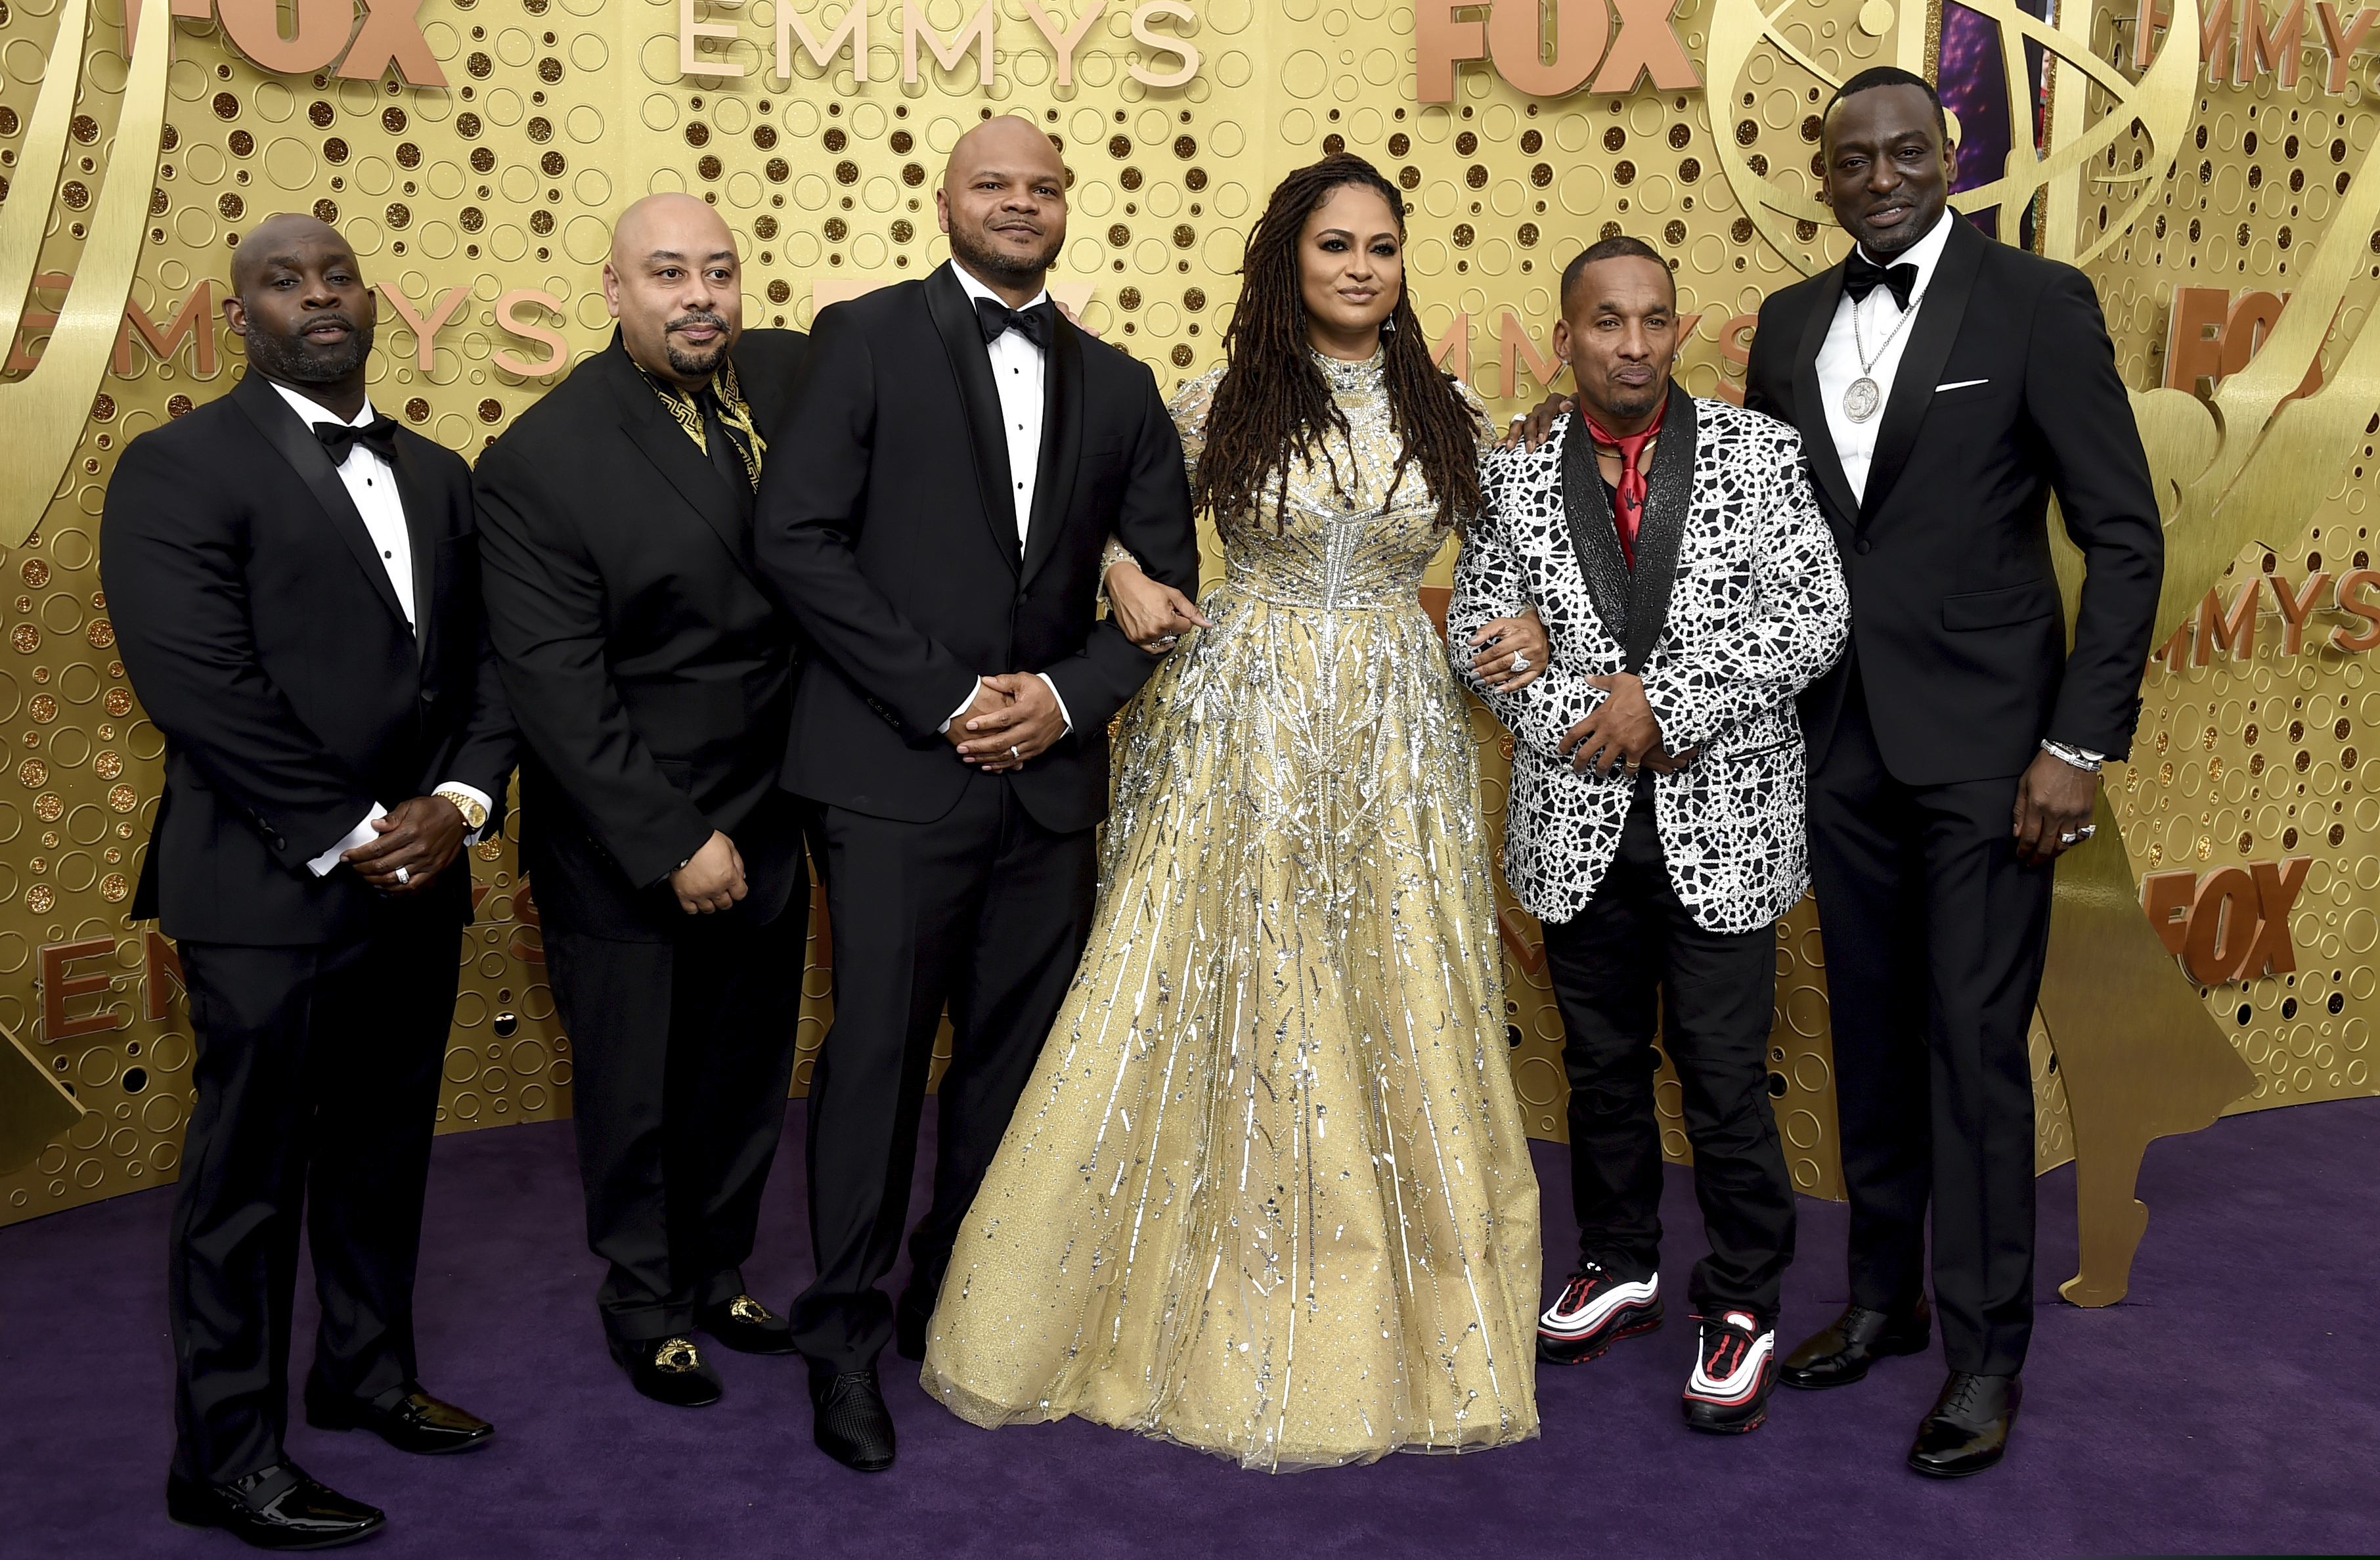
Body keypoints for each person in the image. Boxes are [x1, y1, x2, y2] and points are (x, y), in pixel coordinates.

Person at [919, 153, 1549, 1471]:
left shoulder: (1451, 411)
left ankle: (1397, 1303)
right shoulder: (1215, 402)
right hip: (1236, 720)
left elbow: (1496, 572)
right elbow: (1081, 519)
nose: (1361, 267)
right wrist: (1120, 570)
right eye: (1335, 245)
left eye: (1382, 245)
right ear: (1288, 260)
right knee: (1231, 978)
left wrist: (1517, 629)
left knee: (1389, 990)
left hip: (1393, 727)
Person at [753, 115, 1202, 1473]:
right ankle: (841, 1332)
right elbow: (797, 538)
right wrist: (949, 694)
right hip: (893, 777)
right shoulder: (868, 341)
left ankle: (965, 1296)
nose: (1019, 203)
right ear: (944, 201)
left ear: (1072, 208)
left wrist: (1063, 697)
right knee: (879, 1057)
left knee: (1011, 1067)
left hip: (1051, 789)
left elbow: (1166, 587)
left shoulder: (1120, 385)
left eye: (1041, 187)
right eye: (992, 185)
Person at [1742, 68, 2163, 1475]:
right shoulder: (1792, 326)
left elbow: (2124, 535)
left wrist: (2075, 742)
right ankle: (1883, 1298)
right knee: (1868, 1032)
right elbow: (1775, 544)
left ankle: (1987, 1355)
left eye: (1905, 151)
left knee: (1972, 1049)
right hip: (1834, 744)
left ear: (1953, 153)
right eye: (1852, 159)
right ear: (1825, 174)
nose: (1880, 176)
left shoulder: (2038, 303)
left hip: (1996, 757)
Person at [104, 213, 516, 1549]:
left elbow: (490, 673)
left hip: (421, 874)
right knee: (249, 1180)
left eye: (337, 274)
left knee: (384, 1153)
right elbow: (200, 686)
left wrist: (455, 805)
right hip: (265, 887)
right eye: (285, 281)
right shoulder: (175, 467)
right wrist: (352, 825)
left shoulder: (446, 476)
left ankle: (366, 1372)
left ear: (368, 299)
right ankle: (222, 1457)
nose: (318, 296)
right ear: (243, 315)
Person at [1452, 236, 1847, 1437]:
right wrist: (1573, 700)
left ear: (1679, 329)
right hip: (1575, 820)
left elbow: (1815, 613)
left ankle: (1741, 1300)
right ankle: (1621, 1260)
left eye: (1653, 320)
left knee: (1726, 1080)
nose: (1632, 343)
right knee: (1601, 1066)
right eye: (1606, 322)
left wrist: (1663, 702)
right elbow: (1481, 622)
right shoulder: (1512, 474)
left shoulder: (1760, 453)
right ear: (1565, 336)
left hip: (1725, 825)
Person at [474, 193, 812, 1410]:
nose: (699, 295)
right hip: (636, 833)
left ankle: (717, 1269)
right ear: (612, 291)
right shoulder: (540, 457)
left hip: (772, 813)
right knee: (634, 1087)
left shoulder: (781, 390)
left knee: (739, 1073)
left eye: (719, 271)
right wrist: (674, 838)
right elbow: (554, 682)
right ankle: (643, 1302)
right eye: (668, 273)